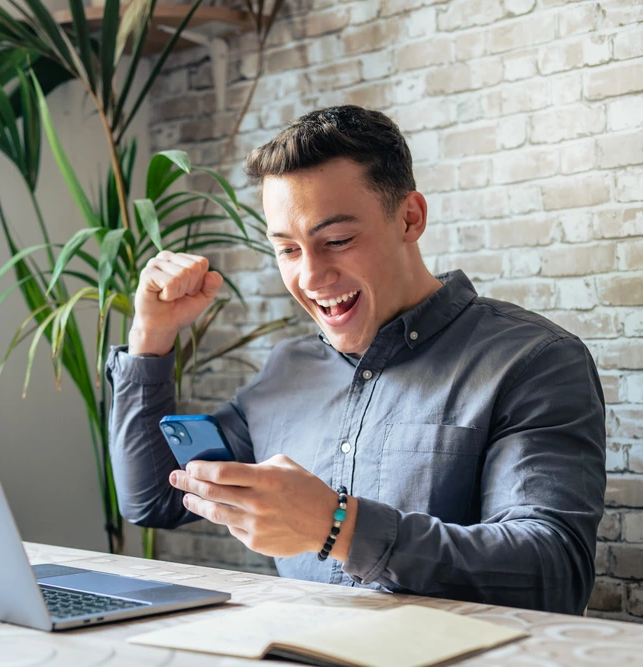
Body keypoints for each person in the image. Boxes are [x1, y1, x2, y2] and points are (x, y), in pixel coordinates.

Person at [105, 105, 606, 615]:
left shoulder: (534, 362)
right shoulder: (288, 368)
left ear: (410, 217)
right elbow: (155, 498)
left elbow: (553, 574)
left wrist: (338, 526)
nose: (310, 277)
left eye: (338, 241)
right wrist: (152, 334)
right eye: (288, 250)